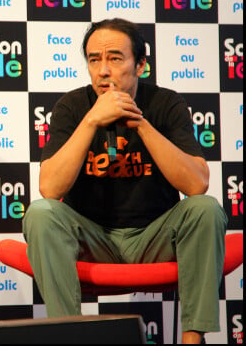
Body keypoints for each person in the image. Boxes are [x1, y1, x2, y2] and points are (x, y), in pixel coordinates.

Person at [23, 18, 227, 344]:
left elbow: (196, 184)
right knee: (40, 213)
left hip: (153, 235)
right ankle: (68, 333)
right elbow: (50, 188)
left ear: (141, 64)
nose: (103, 70)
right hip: (93, 238)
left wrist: (140, 123)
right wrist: (91, 121)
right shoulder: (72, 107)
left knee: (205, 208)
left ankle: (192, 339)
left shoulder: (166, 103)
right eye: (94, 60)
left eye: (115, 59)